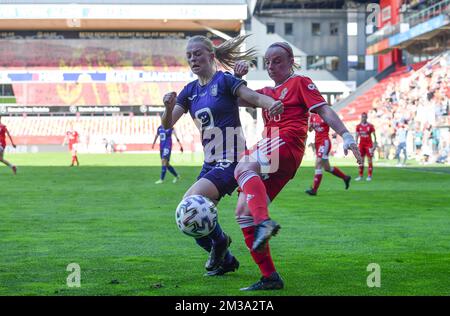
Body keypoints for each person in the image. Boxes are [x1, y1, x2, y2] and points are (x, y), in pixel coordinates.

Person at [232, 42, 362, 291]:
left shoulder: (300, 82)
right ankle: (270, 277)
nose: (271, 66)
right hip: (277, 155)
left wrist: (346, 135)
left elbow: (324, 110)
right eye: (267, 62)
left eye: (277, 60)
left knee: (242, 167)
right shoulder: (266, 92)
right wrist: (236, 79)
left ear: (291, 60)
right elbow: (235, 99)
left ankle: (264, 222)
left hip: (286, 143)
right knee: (242, 212)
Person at [161, 35, 284, 277]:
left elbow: (253, 97)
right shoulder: (189, 91)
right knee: (187, 219)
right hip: (210, 163)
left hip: (232, 159)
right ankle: (225, 258)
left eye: (197, 53)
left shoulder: (225, 81)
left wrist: (272, 103)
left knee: (190, 204)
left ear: (211, 56)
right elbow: (167, 125)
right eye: (189, 55)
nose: (193, 58)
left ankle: (219, 244)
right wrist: (167, 107)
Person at [305, 112, 351, 196]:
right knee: (327, 167)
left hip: (324, 142)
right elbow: (310, 130)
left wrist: (337, 133)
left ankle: (314, 190)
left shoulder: (325, 115)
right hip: (317, 142)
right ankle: (345, 177)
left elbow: (334, 125)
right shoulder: (313, 116)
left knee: (318, 163)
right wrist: (310, 125)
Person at [355, 113, 377, 181]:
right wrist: (356, 144)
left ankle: (369, 176)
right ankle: (360, 175)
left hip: (369, 145)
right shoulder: (358, 126)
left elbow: (374, 136)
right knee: (361, 160)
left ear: (367, 117)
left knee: (369, 160)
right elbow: (357, 136)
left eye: (365, 117)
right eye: (362, 117)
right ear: (361, 117)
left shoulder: (370, 126)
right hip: (361, 145)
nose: (363, 118)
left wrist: (374, 145)